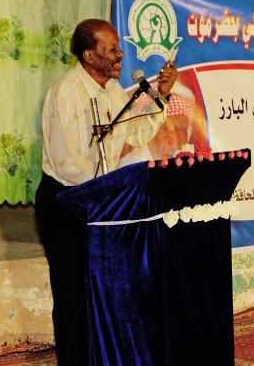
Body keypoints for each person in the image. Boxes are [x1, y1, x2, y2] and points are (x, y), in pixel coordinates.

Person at [34, 18, 177, 365]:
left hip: (98, 202)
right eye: (111, 49)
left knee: (100, 292)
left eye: (118, 47)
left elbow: (135, 131)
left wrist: (162, 95)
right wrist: (107, 192)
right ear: (88, 55)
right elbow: (67, 162)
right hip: (65, 202)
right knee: (72, 296)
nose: (119, 55)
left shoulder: (112, 91)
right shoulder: (66, 92)